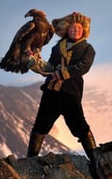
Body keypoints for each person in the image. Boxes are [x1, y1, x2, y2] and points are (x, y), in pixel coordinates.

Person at [26, 12, 97, 165]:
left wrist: (63, 73)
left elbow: (83, 67)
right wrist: (34, 62)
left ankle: (96, 160)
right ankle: (29, 161)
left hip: (71, 93)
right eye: (72, 28)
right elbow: (50, 67)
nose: (75, 31)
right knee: (40, 126)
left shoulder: (88, 49)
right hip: (51, 91)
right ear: (67, 30)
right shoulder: (57, 47)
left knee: (79, 126)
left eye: (78, 28)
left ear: (83, 30)